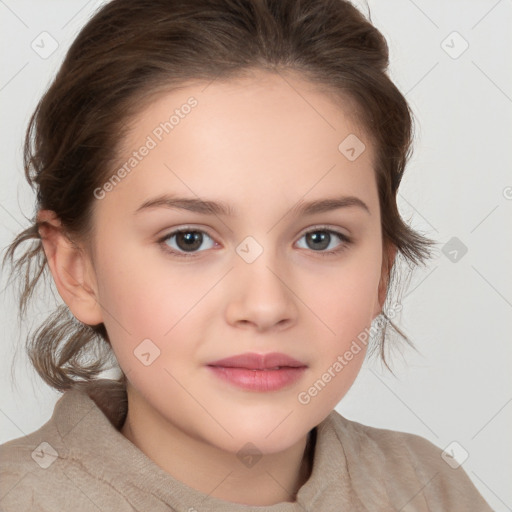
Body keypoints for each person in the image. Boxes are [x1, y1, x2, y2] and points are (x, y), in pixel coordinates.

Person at [0, 0, 493, 510]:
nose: (264, 306)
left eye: (320, 238)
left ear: (381, 274)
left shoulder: (429, 488)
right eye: (188, 239)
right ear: (77, 270)